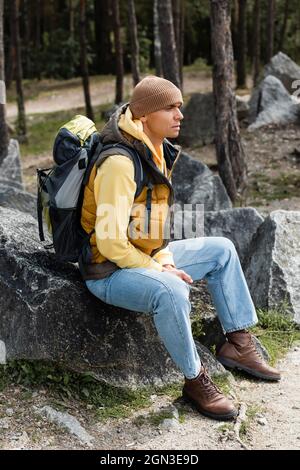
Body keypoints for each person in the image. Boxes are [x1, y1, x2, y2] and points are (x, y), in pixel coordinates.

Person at [80, 76, 280, 421]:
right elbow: (111, 241)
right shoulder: (119, 163)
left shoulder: (153, 148)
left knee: (221, 250)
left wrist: (163, 257)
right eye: (170, 107)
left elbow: (150, 228)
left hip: (137, 257)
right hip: (107, 272)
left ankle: (238, 344)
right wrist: (161, 269)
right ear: (144, 115)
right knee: (172, 290)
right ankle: (195, 380)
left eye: (180, 107)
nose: (180, 115)